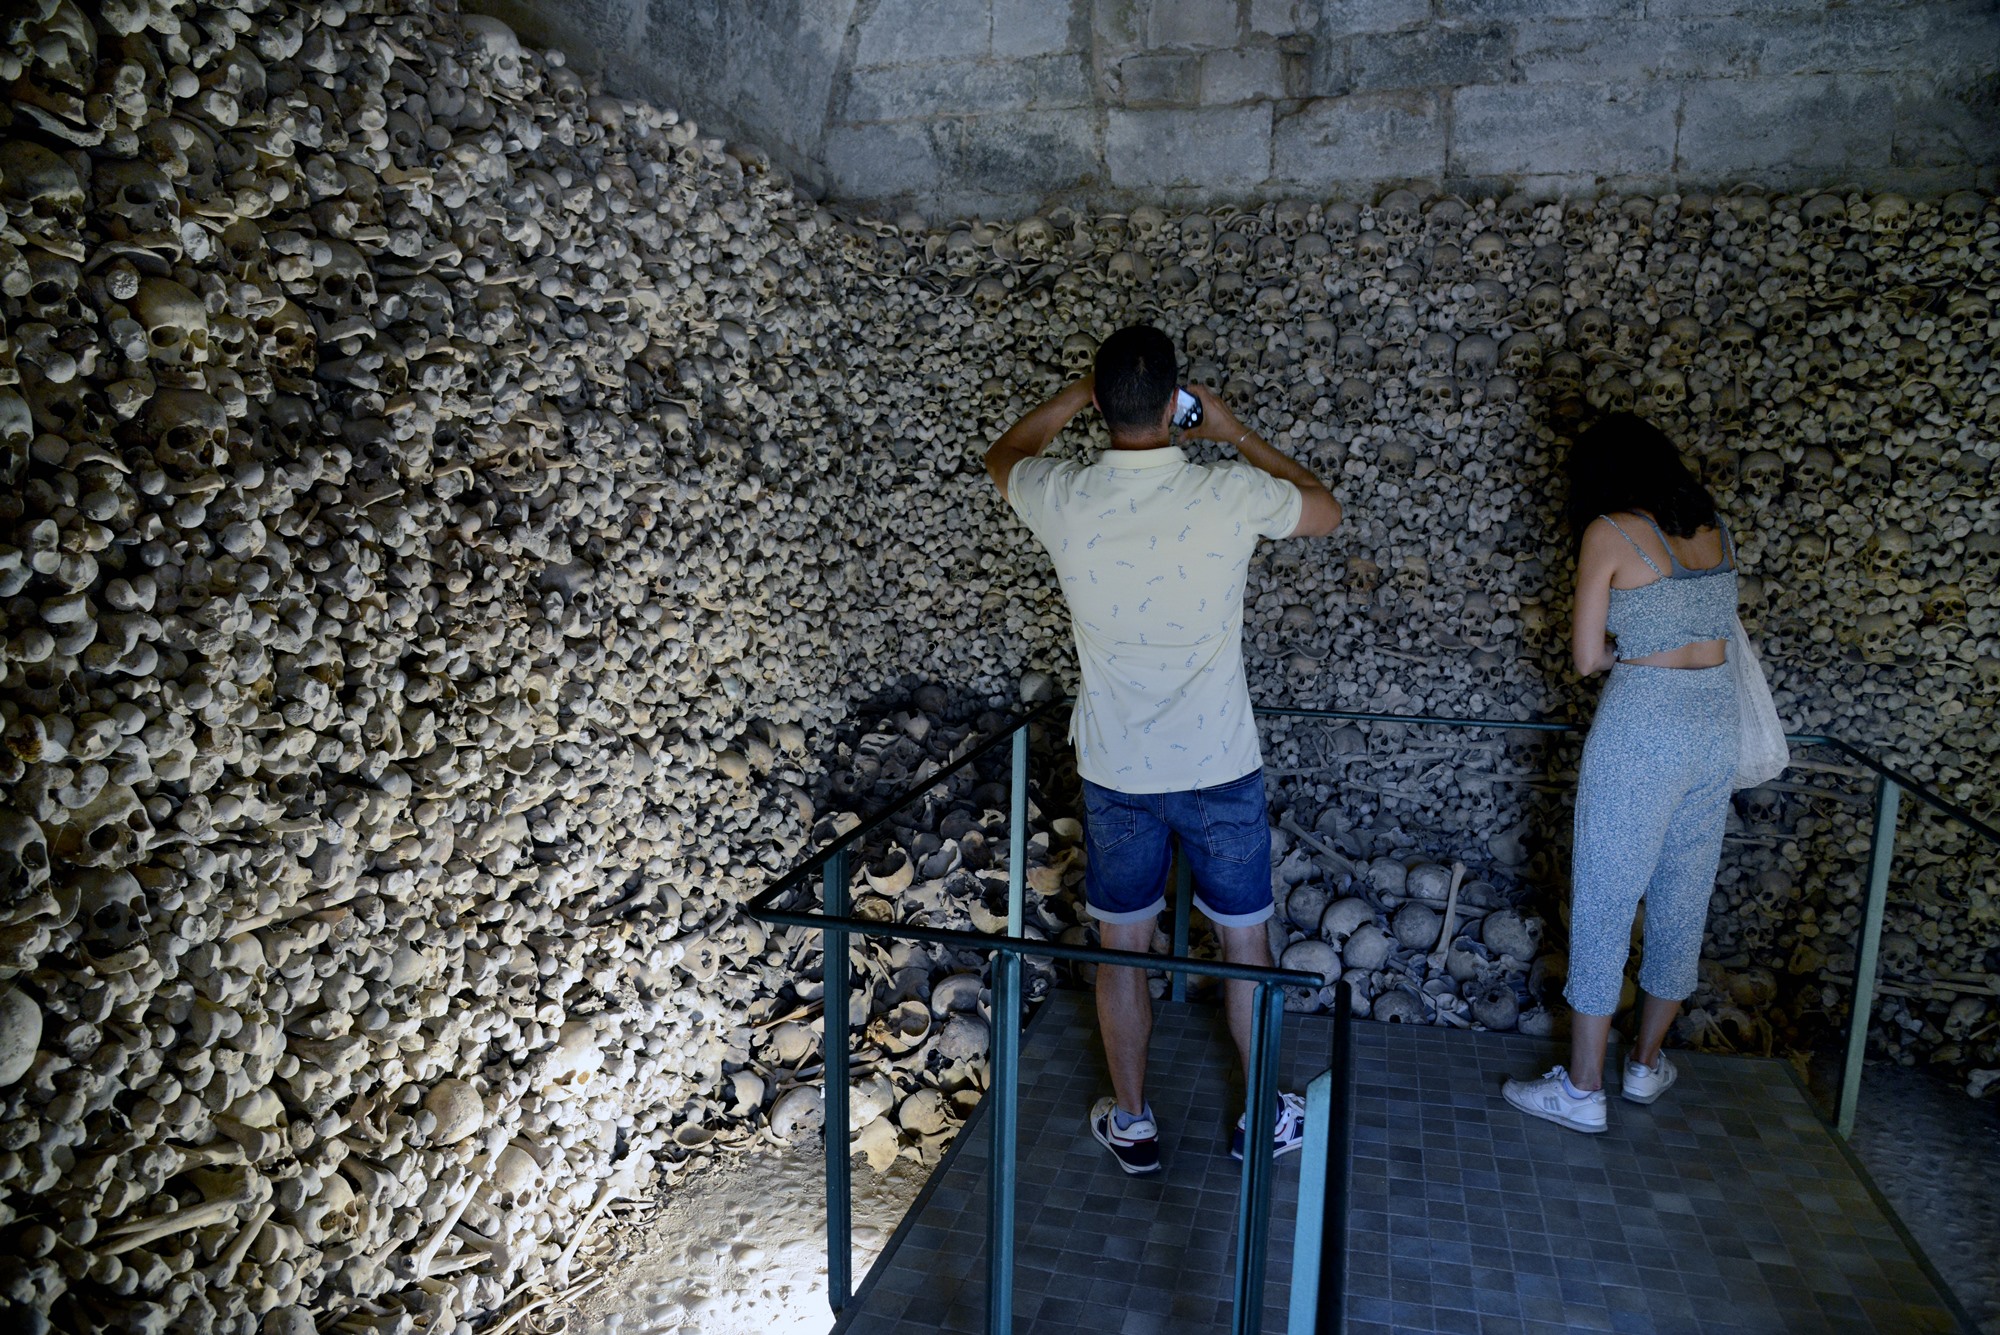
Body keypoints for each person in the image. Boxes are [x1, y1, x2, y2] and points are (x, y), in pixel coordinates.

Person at [984, 325, 1341, 1173]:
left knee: (1122, 947)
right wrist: (1234, 432)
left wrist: (1076, 395)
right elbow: (1325, 510)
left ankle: (1136, 1121)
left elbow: (1003, 455)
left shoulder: (1063, 494)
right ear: (1181, 402)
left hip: (1118, 770)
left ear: (1104, 403)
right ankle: (1262, 1115)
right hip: (1220, 762)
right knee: (1247, 946)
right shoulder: (1229, 493)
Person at [1504, 413, 1741, 1133]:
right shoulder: (1715, 529)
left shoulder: (1610, 531)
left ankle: (1580, 1090)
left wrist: (1626, 651)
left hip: (1644, 726)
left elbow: (1584, 657)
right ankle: (1643, 1064)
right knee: (1682, 894)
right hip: (1716, 725)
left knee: (1607, 899)